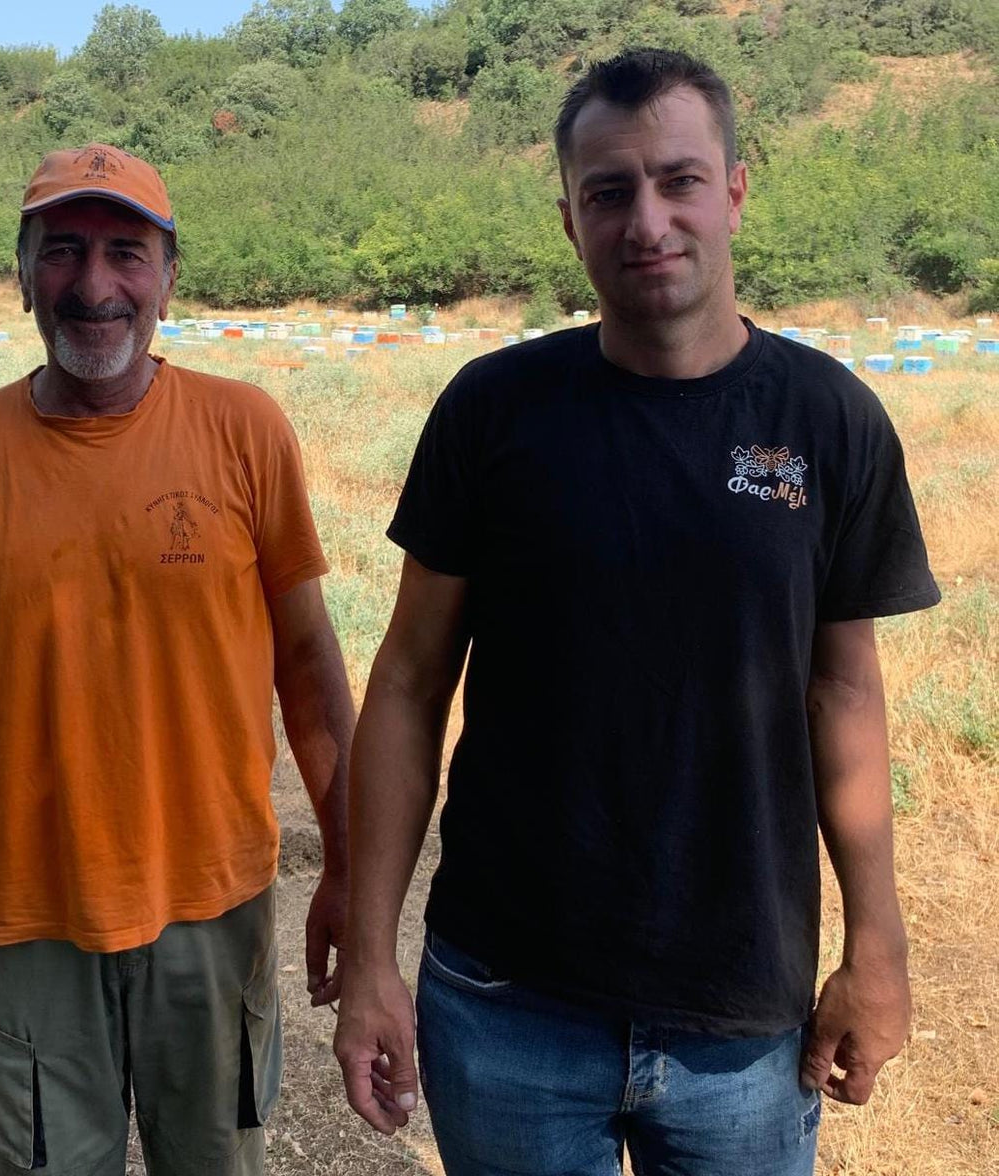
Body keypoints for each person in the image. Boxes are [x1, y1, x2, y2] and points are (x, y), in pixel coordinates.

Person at [333, 48, 940, 1176]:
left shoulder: (830, 419)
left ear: (737, 191)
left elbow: (843, 689)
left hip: (743, 1014)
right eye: (608, 191)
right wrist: (371, 957)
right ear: (569, 219)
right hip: (504, 1001)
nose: (647, 219)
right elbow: (410, 683)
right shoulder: (494, 412)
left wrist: (878, 943)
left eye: (679, 180)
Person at [0, 143, 355, 1176]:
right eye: (63, 252)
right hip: (23, 913)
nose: (94, 287)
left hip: (210, 904)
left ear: (170, 275)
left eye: (126, 253)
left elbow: (309, 668)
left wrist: (351, 868)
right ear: (23, 269)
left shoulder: (244, 430)